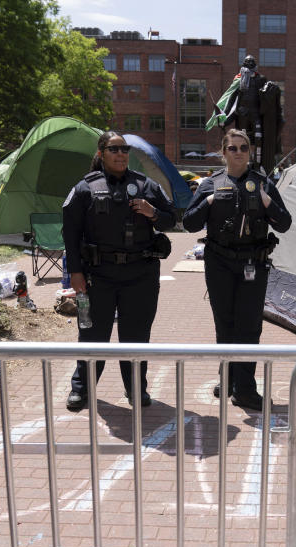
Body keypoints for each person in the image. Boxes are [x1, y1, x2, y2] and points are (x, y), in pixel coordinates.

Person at [63, 131, 175, 410]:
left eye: (124, 149)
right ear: (101, 154)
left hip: (140, 275)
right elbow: (70, 233)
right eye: (114, 149)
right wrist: (75, 272)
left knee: (136, 336)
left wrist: (153, 213)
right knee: (91, 334)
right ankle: (82, 389)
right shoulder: (85, 188)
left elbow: (173, 219)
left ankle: (136, 389)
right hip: (96, 275)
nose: (121, 154)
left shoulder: (146, 185)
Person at [182, 129, 292, 410]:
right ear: (224, 152)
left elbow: (284, 223)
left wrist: (266, 200)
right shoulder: (210, 184)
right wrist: (208, 201)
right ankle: (229, 378)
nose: (239, 152)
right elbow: (190, 224)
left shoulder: (262, 182)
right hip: (219, 263)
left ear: (250, 151)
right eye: (233, 148)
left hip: (253, 263)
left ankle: (244, 389)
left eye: (244, 147)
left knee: (249, 326)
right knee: (225, 323)